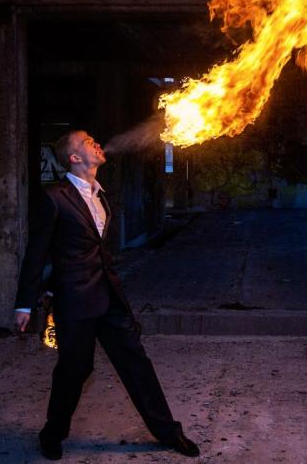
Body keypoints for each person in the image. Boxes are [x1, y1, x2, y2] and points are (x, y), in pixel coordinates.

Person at [14, 129, 199, 460]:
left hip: (109, 295)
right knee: (75, 369)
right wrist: (24, 303)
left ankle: (169, 432)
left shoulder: (101, 195)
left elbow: (98, 250)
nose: (96, 143)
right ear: (74, 158)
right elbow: (36, 253)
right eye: (87, 142)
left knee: (135, 361)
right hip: (74, 299)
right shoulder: (54, 197)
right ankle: (52, 434)